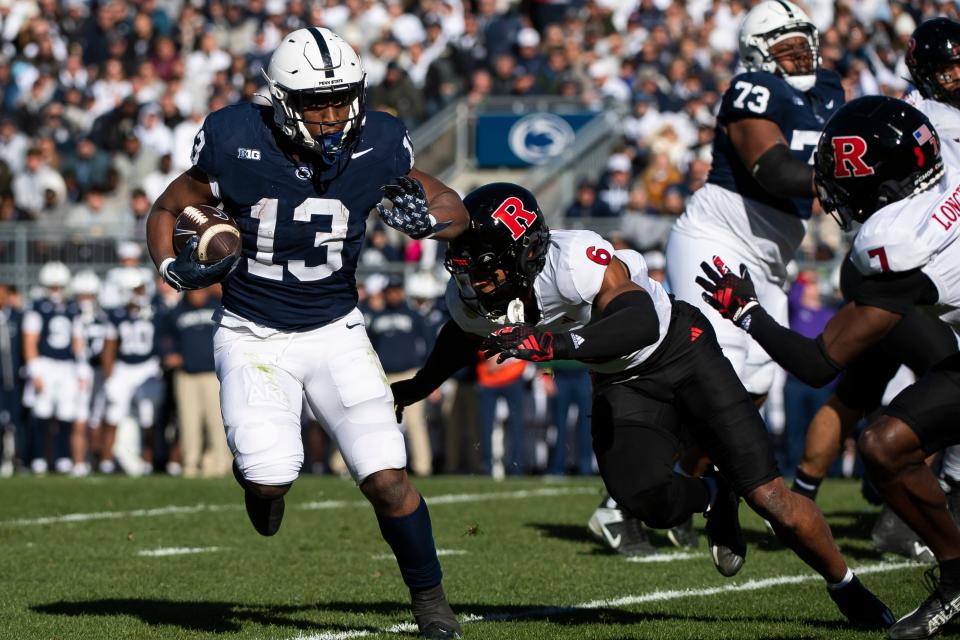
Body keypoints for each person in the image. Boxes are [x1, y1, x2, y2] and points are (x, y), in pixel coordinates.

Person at [393, 182, 893, 628]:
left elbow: (639, 322)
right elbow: (461, 336)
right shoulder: (472, 298)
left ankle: (846, 584)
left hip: (682, 348)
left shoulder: (573, 261)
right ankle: (715, 495)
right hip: (621, 382)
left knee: (772, 501)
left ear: (525, 253)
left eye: (487, 270)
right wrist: (420, 384)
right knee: (642, 499)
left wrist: (556, 348)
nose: (477, 285)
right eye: (468, 271)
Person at [144, 28, 467, 639]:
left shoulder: (379, 141)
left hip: (336, 330)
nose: (333, 114)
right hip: (252, 331)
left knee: (388, 477)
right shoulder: (236, 137)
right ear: (282, 101)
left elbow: (450, 201)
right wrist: (170, 267)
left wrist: (435, 221)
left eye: (343, 98)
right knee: (270, 474)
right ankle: (260, 488)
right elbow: (167, 208)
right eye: (318, 103)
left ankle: (431, 601)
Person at [696, 95, 960, 639]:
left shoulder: (898, 240)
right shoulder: (948, 150)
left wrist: (747, 312)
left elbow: (818, 365)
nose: (841, 196)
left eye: (848, 183)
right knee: (886, 444)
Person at [590, 0, 845, 552]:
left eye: (804, 42)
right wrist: (843, 179)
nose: (800, 54)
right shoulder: (751, 91)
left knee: (754, 387)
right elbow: (772, 169)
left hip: (772, 257)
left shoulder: (829, 92)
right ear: (759, 54)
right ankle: (621, 507)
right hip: (718, 241)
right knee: (710, 377)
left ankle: (684, 488)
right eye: (786, 46)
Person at [21, 262, 87, 475]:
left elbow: (78, 341)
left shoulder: (72, 308)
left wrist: (81, 369)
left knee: (66, 412)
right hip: (46, 363)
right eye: (52, 287)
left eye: (59, 286)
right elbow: (29, 341)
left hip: (67, 366)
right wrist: (35, 369)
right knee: (43, 411)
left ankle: (62, 457)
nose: (56, 291)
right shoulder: (37, 308)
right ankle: (39, 457)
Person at [160, 285, 231, 479]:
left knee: (216, 422)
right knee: (188, 422)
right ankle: (190, 465)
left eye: (200, 290)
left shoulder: (219, 307)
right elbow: (164, 338)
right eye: (193, 290)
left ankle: (220, 463)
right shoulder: (176, 311)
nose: (197, 295)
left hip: (213, 375)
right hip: (186, 375)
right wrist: (169, 354)